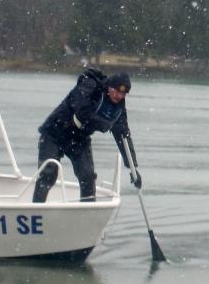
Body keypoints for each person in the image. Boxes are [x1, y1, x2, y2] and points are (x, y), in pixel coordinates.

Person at [31, 68, 139, 203]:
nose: (119, 96)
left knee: (87, 177)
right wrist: (104, 124)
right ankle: (37, 209)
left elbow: (123, 135)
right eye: (116, 91)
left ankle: (87, 210)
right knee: (48, 174)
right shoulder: (90, 85)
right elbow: (82, 111)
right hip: (54, 132)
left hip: (78, 139)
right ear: (109, 86)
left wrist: (133, 168)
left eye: (123, 94)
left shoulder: (119, 109)